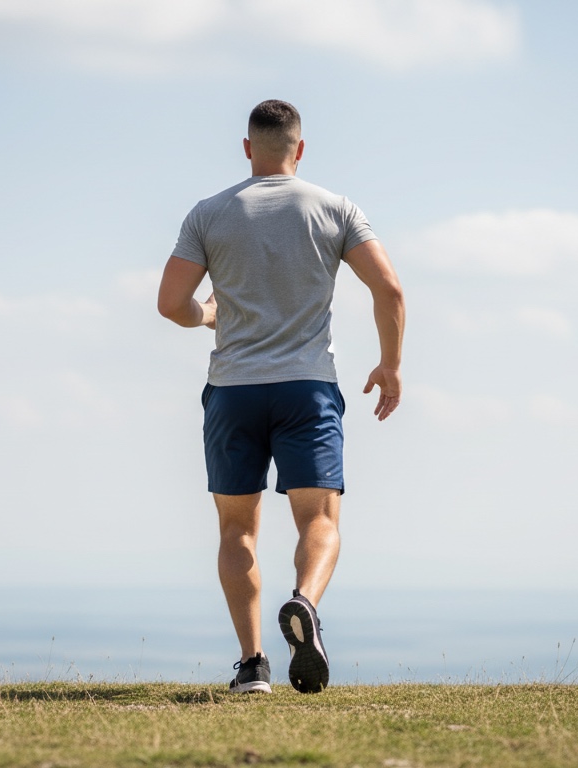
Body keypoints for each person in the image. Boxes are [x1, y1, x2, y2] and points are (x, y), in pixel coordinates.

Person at [157, 99, 404, 694]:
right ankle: (306, 606)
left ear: (247, 148)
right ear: (300, 148)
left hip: (233, 391)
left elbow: (171, 304)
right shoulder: (335, 208)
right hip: (306, 386)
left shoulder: (209, 213)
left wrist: (206, 316)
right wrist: (390, 364)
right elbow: (389, 289)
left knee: (237, 530)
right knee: (318, 517)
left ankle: (252, 667)